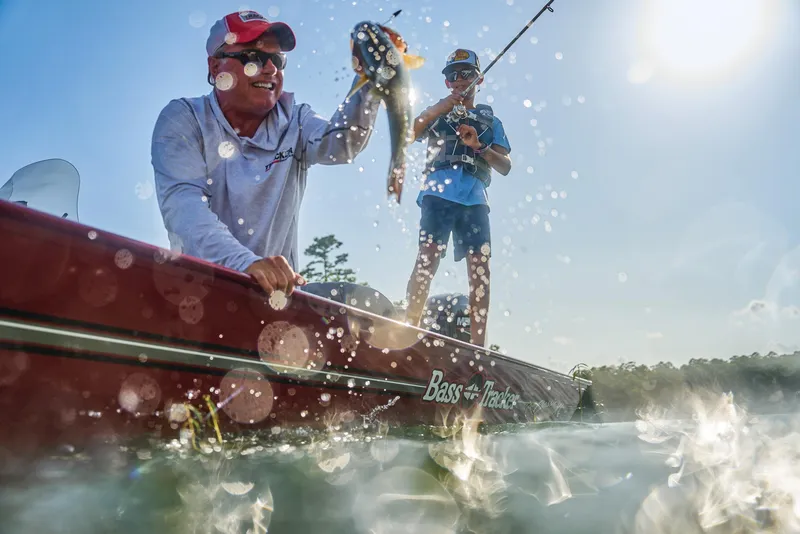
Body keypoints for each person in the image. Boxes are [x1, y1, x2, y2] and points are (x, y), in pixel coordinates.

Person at [151, 10, 381, 296]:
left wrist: (370, 82)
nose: (270, 69)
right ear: (215, 67)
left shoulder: (297, 120)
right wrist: (246, 263)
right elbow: (184, 208)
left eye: (277, 60)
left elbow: (342, 144)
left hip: (276, 295)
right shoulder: (184, 118)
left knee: (365, 301)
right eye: (253, 58)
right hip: (200, 297)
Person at [403, 49, 512, 347]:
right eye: (453, 75)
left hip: (475, 199)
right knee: (428, 258)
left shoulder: (491, 122)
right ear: (447, 82)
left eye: (466, 73)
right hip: (437, 193)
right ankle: (408, 330)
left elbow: (505, 166)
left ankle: (477, 347)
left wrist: (478, 147)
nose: (460, 79)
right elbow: (408, 134)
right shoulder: (436, 113)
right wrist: (440, 107)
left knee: (481, 270)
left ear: (479, 78)